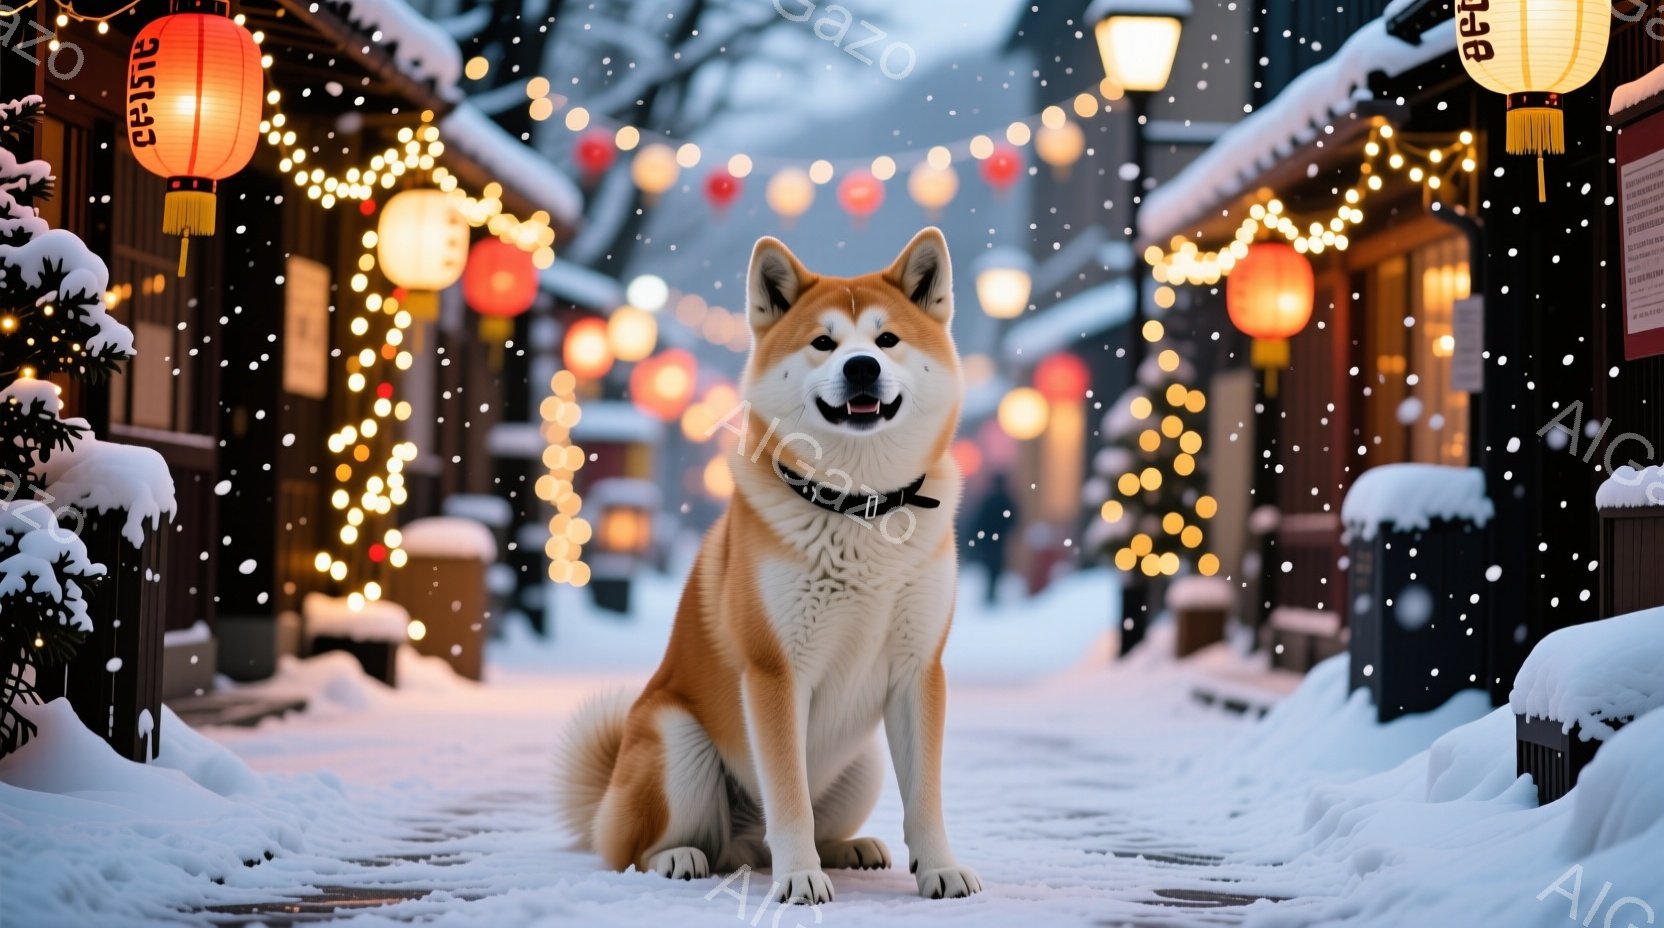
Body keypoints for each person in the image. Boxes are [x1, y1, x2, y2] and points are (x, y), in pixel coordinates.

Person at [966, 473, 1017, 604]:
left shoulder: (991, 500)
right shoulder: (1005, 500)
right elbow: (1012, 519)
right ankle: (991, 592)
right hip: (997, 540)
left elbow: (979, 521)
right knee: (995, 567)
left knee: (992, 567)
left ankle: (991, 592)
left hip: (990, 540)